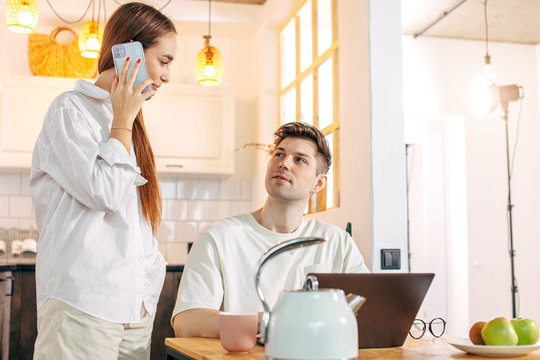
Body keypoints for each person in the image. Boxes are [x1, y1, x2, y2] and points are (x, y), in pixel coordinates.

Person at [29, 3, 177, 359]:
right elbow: (106, 194)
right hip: (83, 301)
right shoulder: (71, 110)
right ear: (129, 54)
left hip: (133, 308)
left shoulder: (130, 124)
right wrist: (123, 119)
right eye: (165, 61)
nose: (168, 76)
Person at [172, 122, 369, 338]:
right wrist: (272, 321)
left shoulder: (337, 241)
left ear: (319, 184)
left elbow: (370, 310)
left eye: (299, 160)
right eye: (279, 155)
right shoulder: (219, 237)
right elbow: (187, 321)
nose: (284, 163)